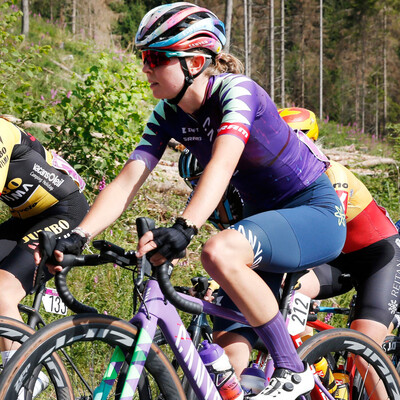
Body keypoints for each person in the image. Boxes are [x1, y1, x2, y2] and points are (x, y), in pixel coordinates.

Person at [43, 4, 346, 399]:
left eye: (154, 57)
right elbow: (126, 182)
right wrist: (77, 235)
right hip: (264, 221)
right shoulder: (167, 113)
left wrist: (185, 227)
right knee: (229, 352)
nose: (145, 68)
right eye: (142, 58)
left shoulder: (238, 92)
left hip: (313, 211)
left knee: (217, 251)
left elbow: (221, 166)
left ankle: (293, 370)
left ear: (196, 61)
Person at [278, 107, 400, 350]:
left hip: (377, 259)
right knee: (291, 292)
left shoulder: (333, 173)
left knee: (364, 354)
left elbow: (328, 231)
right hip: (335, 261)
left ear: (311, 142)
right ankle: (318, 372)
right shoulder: (278, 184)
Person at [0, 116, 89, 397]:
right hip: (26, 219)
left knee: (1, 291)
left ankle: (23, 377)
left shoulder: (1, 132)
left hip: (64, 212)